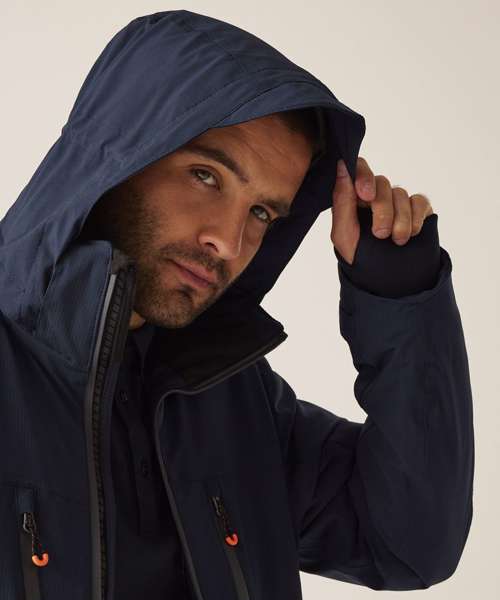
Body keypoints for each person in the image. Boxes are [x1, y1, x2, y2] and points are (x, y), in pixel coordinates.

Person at [0, 9, 474, 600]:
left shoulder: (225, 400)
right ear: (117, 157)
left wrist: (399, 298)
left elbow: (408, 544)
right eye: (205, 176)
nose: (228, 241)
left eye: (262, 213)